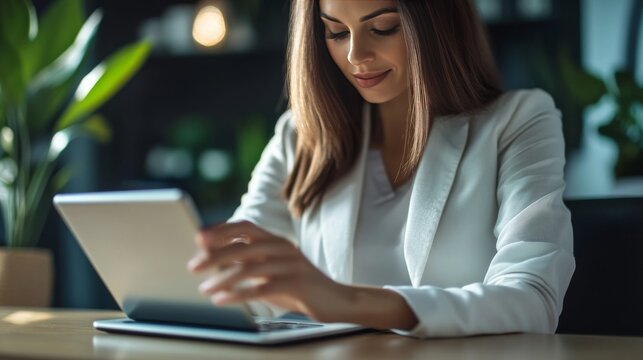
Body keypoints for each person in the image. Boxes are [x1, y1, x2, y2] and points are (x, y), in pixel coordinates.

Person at [187, 0, 575, 338]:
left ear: (436, 23)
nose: (357, 54)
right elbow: (239, 270)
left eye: (382, 27)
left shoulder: (518, 120)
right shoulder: (301, 136)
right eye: (336, 32)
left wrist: (345, 300)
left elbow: (533, 298)